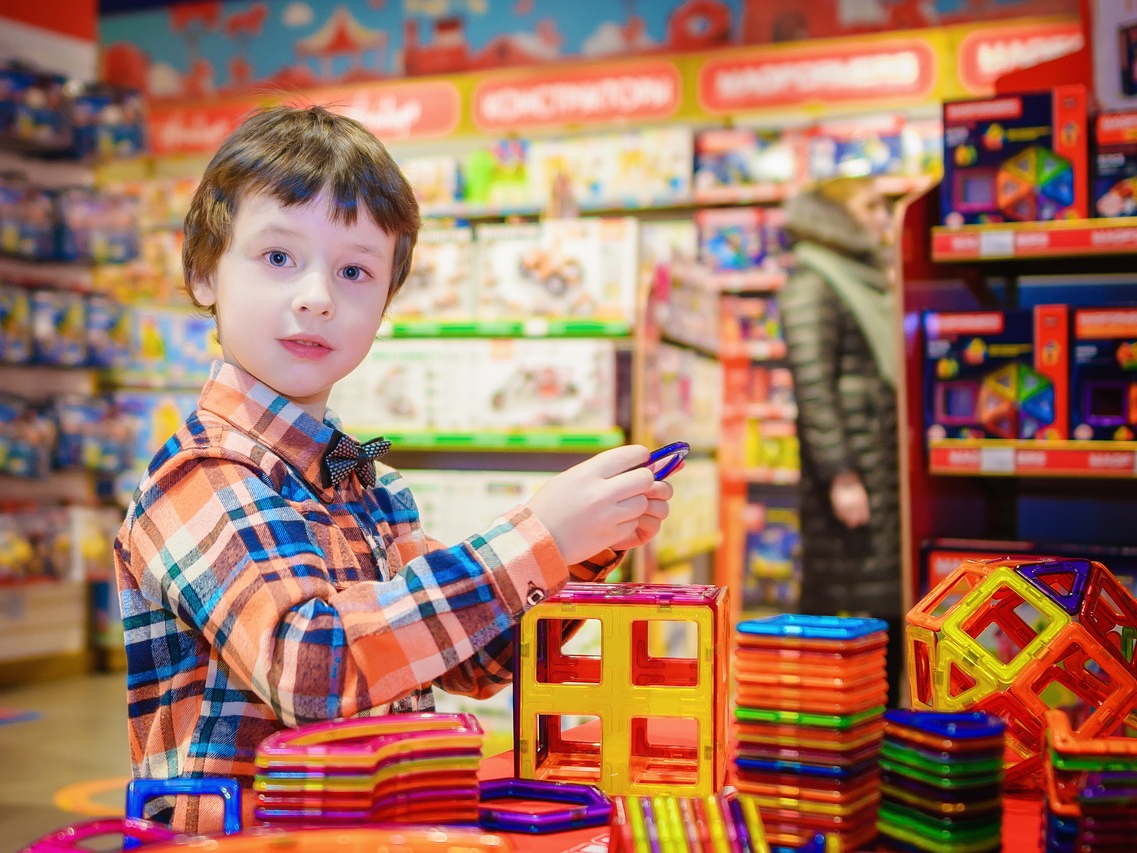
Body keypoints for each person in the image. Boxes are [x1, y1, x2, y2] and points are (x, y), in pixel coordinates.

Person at [113, 105, 673, 833]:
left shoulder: (367, 481)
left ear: (385, 304)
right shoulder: (201, 475)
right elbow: (311, 666)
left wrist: (581, 544)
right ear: (202, 270)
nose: (316, 295)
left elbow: (471, 661)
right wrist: (537, 534)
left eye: (354, 271)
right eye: (278, 257)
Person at [776, 176, 903, 706]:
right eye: (870, 205)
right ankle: (837, 728)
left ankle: (881, 717)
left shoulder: (861, 277)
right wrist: (842, 474)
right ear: (836, 215)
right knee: (846, 605)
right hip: (855, 473)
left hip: (878, 465)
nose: (882, 216)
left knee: (882, 597)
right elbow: (814, 387)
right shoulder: (814, 282)